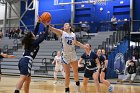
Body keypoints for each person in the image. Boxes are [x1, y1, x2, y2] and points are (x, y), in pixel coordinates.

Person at [49, 23, 87, 93]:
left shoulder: (73, 34)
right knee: (67, 74)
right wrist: (47, 25)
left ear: (69, 26)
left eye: (66, 24)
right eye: (64, 25)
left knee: (75, 72)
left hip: (73, 54)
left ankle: (78, 87)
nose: (64, 25)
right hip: (65, 56)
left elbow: (76, 42)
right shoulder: (62, 33)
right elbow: (53, 29)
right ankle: (67, 90)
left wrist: (83, 46)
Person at [14, 17, 49, 93]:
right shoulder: (34, 42)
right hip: (26, 61)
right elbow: (44, 36)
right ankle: (16, 91)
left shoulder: (30, 41)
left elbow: (35, 31)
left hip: (23, 61)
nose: (34, 34)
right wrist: (46, 26)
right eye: (33, 34)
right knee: (23, 78)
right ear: (32, 37)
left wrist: (38, 23)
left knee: (28, 80)